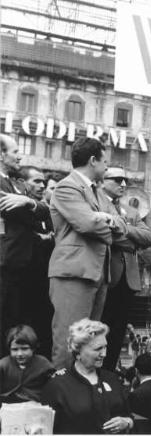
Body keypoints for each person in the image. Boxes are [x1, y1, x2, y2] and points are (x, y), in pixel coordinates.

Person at [48, 137, 123, 369]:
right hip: (74, 273)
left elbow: (121, 225)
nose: (107, 168)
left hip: (96, 274)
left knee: (89, 342)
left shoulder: (98, 193)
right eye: (105, 163)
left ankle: (80, 393)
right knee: (69, 340)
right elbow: (87, 224)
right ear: (93, 161)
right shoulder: (66, 186)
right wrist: (108, 224)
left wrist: (107, 220)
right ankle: (61, 396)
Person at [0, 135, 50, 354]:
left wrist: (29, 203)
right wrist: (32, 206)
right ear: (2, 154)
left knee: (14, 321)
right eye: (15, 151)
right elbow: (18, 212)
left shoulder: (12, 183)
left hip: (21, 265)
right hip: (7, 264)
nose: (20, 155)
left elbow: (41, 211)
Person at [100, 167, 151, 371]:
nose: (123, 184)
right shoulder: (98, 203)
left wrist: (125, 229)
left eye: (125, 180)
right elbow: (107, 235)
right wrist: (132, 241)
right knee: (101, 327)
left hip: (128, 279)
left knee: (118, 331)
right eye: (117, 179)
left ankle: (108, 373)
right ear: (103, 181)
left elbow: (147, 237)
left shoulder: (129, 211)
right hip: (107, 274)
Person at [41, 319, 133, 434]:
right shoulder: (57, 385)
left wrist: (127, 422)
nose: (104, 354)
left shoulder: (112, 379)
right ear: (78, 351)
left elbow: (129, 415)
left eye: (105, 347)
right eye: (98, 349)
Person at [21, 166, 55, 358]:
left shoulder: (49, 212)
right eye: (37, 181)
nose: (41, 186)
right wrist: (40, 239)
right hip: (25, 276)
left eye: (43, 182)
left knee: (45, 324)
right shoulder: (21, 208)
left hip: (47, 279)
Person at [0, 325, 54, 404]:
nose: (20, 354)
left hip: (35, 404)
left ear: (33, 348)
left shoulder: (42, 363)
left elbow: (54, 382)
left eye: (24, 348)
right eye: (15, 349)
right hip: (8, 405)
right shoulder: (4, 365)